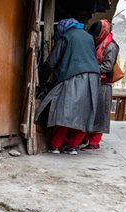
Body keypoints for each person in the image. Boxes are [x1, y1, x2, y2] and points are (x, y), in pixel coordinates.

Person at [35, 18, 102, 155]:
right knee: (83, 113)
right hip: (93, 79)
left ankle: (55, 145)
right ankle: (72, 146)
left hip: (74, 76)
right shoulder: (89, 38)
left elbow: (51, 62)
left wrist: (42, 80)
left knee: (62, 111)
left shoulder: (65, 37)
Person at [80, 19, 120, 152]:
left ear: (102, 32)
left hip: (103, 85)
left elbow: (107, 67)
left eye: (96, 35)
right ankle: (88, 138)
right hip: (95, 82)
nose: (95, 38)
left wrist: (90, 67)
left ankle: (95, 142)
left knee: (100, 113)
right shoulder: (100, 44)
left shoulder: (111, 46)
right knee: (92, 111)